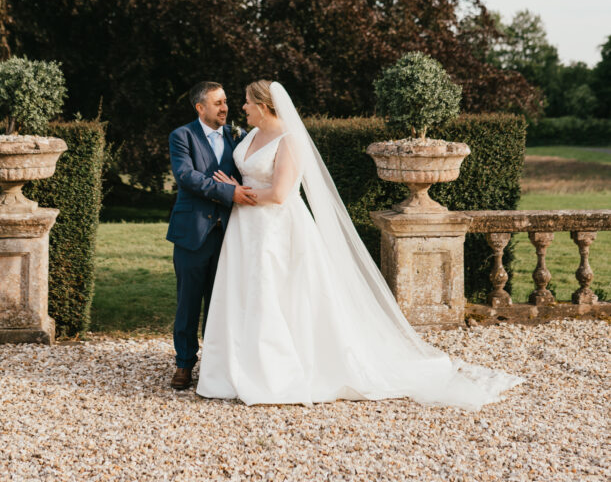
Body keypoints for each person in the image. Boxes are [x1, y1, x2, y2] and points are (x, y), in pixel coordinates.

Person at [196, 79, 522, 409]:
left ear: (264, 106)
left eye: (248, 102)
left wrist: (237, 194)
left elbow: (280, 194)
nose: (243, 107)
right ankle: (239, 366)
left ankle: (275, 373)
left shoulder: (289, 140)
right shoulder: (250, 135)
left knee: (276, 294)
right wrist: (237, 189)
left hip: (276, 229)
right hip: (245, 228)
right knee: (246, 293)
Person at [166, 81, 255, 390]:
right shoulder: (182, 136)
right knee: (188, 303)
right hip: (192, 232)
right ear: (199, 108)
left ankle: (217, 366)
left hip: (230, 234)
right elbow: (187, 177)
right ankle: (184, 364)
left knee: (222, 304)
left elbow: (249, 175)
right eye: (217, 103)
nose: (225, 107)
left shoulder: (237, 137)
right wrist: (228, 191)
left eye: (226, 101)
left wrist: (237, 187)